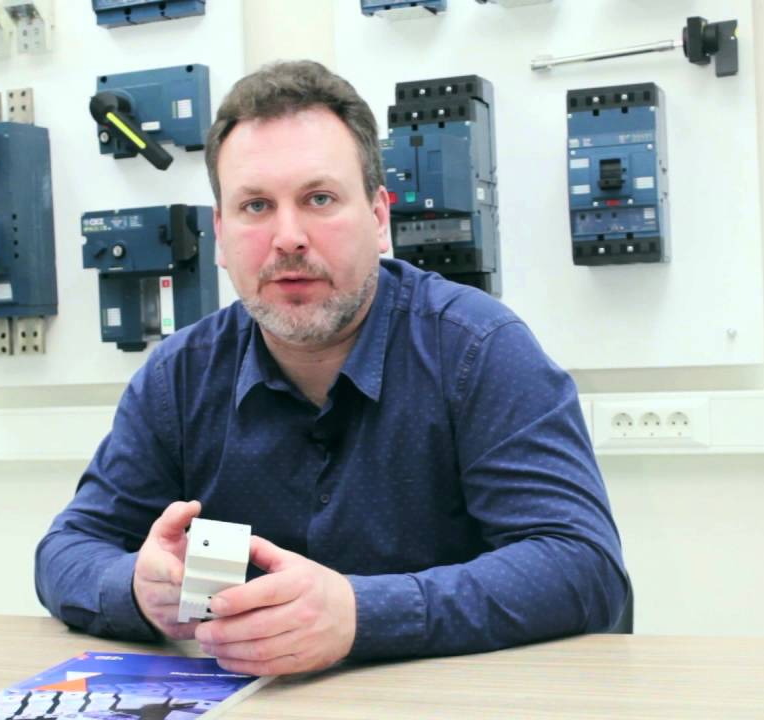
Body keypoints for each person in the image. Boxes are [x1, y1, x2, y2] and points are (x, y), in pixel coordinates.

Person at [35, 60, 628, 677]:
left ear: (379, 218)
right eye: (256, 206)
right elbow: (67, 550)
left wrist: (360, 614)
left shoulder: (479, 350)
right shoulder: (179, 377)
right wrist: (137, 588)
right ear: (221, 234)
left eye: (319, 199)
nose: (288, 237)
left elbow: (582, 567)